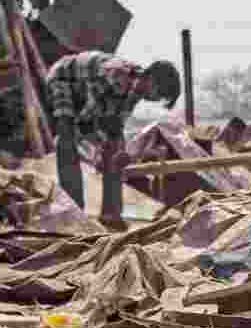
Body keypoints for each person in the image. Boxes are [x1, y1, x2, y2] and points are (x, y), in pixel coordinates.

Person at [44, 51, 180, 229]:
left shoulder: (137, 89)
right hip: (64, 78)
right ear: (151, 79)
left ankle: (111, 215)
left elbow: (116, 124)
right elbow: (85, 121)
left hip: (89, 91)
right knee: (67, 136)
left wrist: (117, 151)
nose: (155, 100)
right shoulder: (114, 75)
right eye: (158, 95)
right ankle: (74, 211)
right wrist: (99, 148)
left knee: (115, 151)